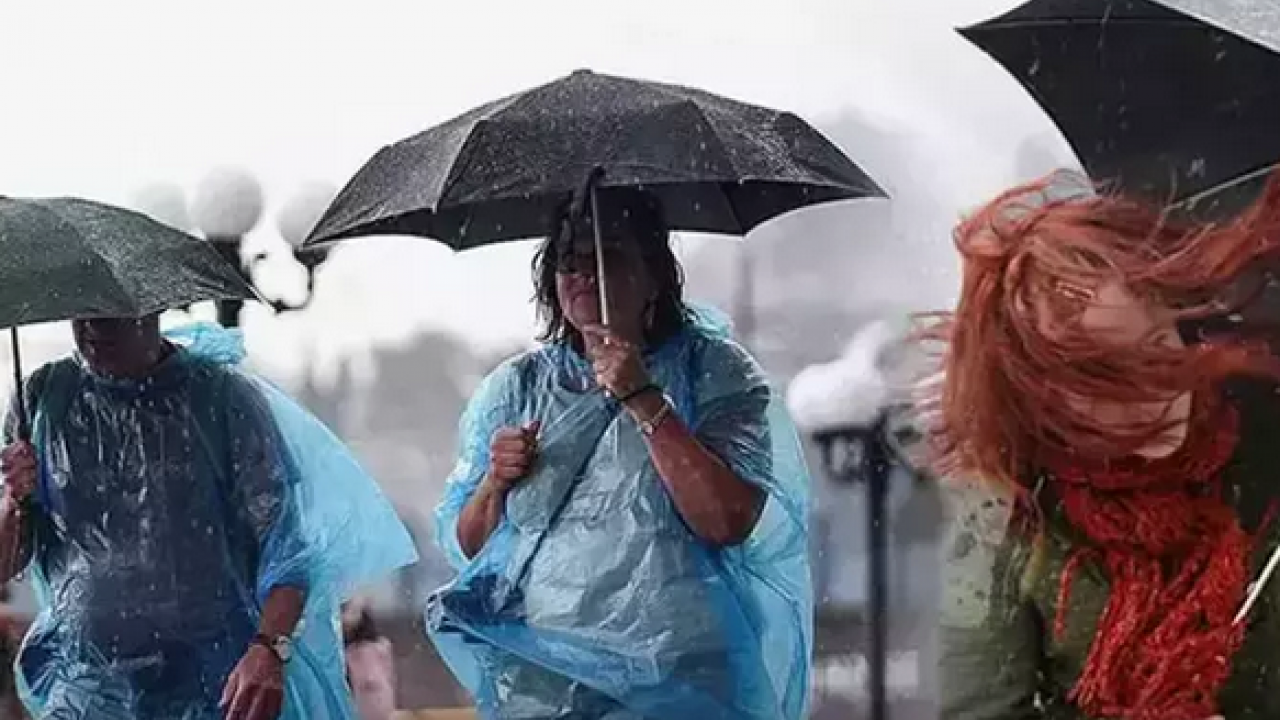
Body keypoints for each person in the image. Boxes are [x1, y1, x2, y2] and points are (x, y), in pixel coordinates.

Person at [427, 189, 812, 719]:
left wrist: (644, 398)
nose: (584, 273)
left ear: (653, 275)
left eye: (607, 256)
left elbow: (726, 520)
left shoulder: (712, 370)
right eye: (569, 261)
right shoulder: (519, 386)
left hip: (679, 676)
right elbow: (474, 546)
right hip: (544, 681)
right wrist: (495, 481)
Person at [925, 171, 1280, 719]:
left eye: (1157, 349)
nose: (1152, 392)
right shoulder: (1008, 512)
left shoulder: (1263, 441)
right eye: (1105, 378)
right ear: (1041, 396)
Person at [0, 318, 417, 720]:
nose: (91, 328)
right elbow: (7, 563)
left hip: (218, 688)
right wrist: (13, 499)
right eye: (81, 313)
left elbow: (287, 549)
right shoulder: (42, 398)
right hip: (89, 689)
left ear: (149, 308)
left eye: (108, 316)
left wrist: (269, 649)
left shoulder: (222, 401)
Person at [342, 599, 397, 720]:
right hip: (362, 700)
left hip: (374, 700)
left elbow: (373, 678)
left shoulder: (378, 646)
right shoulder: (348, 650)